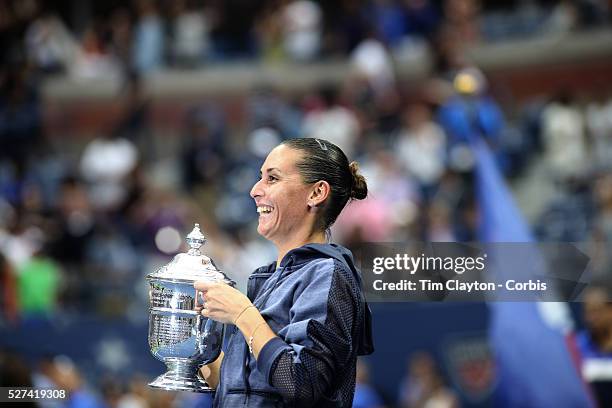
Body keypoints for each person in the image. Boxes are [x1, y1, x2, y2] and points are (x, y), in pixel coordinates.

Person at [194, 137, 374, 407]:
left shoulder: (327, 274)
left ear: (316, 193)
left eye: (273, 178)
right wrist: (192, 344)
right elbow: (249, 391)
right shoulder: (268, 279)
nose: (255, 190)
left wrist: (243, 314)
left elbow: (301, 382)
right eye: (260, 178)